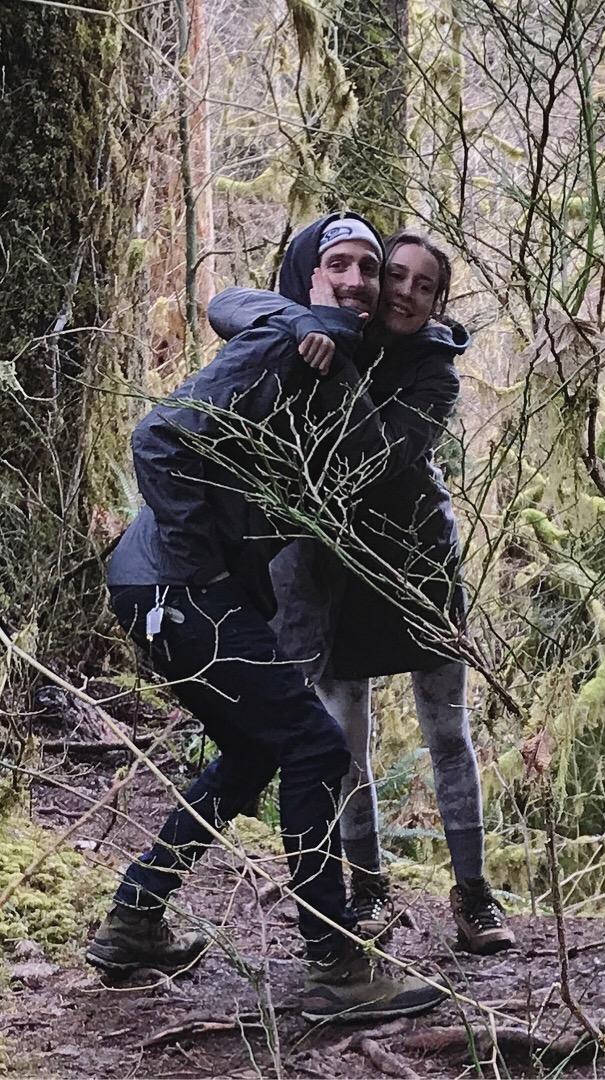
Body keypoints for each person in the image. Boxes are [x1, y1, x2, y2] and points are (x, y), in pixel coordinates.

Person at [88, 212, 449, 1024]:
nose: (357, 281)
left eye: (369, 267)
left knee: (255, 752)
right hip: (178, 587)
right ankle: (335, 964)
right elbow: (157, 438)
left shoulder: (327, 356)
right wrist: (204, 566)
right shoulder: (284, 342)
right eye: (338, 265)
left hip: (165, 589)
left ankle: (135, 917)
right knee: (316, 747)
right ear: (306, 274)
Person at [207, 227, 516, 956]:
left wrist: (337, 361)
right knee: (346, 739)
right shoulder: (331, 329)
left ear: (438, 301)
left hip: (418, 567)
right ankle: (368, 887)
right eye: (394, 276)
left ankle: (473, 894)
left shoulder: (435, 373)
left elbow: (376, 458)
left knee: (448, 733)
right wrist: (304, 324)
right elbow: (225, 304)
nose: (403, 292)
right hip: (336, 572)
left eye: (423, 285)